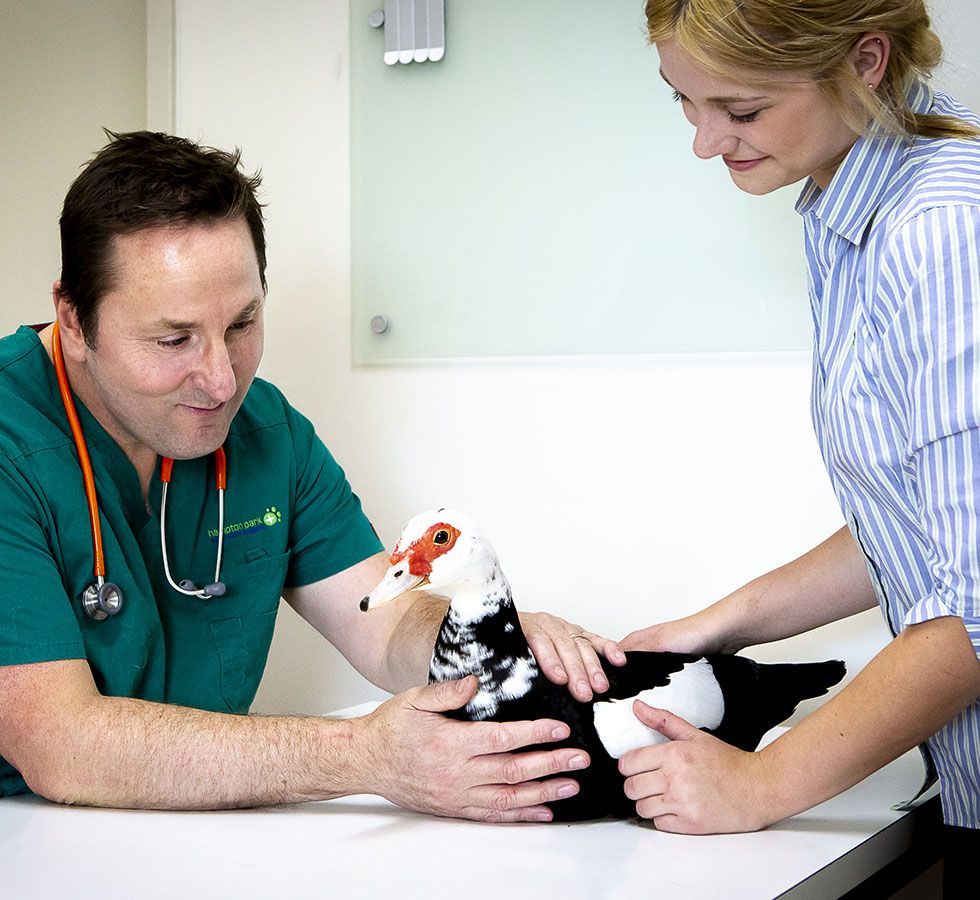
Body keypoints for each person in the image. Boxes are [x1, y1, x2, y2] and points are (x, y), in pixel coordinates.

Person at [0, 130, 626, 819]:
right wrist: (362, 755)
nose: (220, 379)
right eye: (174, 339)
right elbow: (58, 742)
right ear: (75, 320)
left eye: (242, 323)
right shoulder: (12, 442)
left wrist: (483, 636)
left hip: (196, 835)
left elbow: (386, 630)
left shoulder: (269, 435)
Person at [617, 0, 980, 875]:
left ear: (864, 62)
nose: (706, 143)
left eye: (740, 111)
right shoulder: (844, 216)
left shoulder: (939, 231)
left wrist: (760, 784)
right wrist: (720, 624)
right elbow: (926, 522)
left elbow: (974, 605)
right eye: (683, 101)